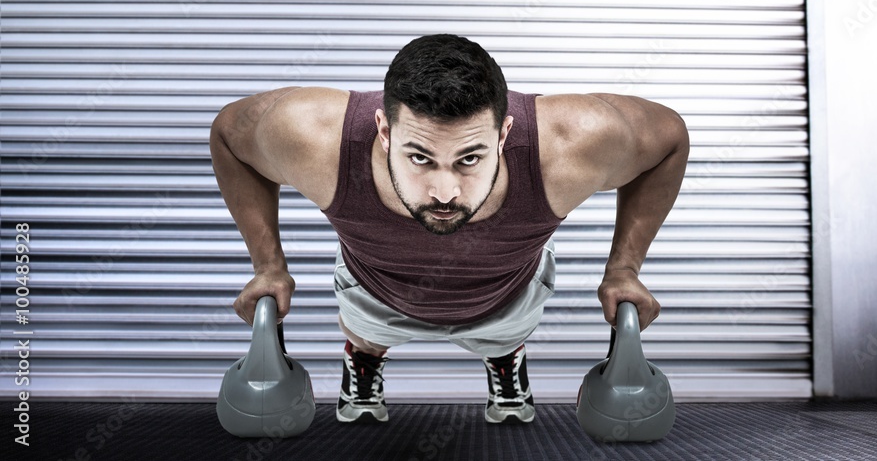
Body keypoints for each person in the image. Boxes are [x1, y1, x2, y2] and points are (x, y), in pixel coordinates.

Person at [209, 33, 689, 425]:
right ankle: (365, 359)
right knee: (366, 331)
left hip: (508, 295)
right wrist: (267, 265)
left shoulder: (568, 145)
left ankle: (504, 360)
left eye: (470, 158)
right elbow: (230, 135)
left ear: (504, 135)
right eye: (420, 157)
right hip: (374, 290)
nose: (443, 192)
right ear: (384, 131)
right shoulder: (315, 139)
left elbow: (669, 140)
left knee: (503, 335)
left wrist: (624, 268)